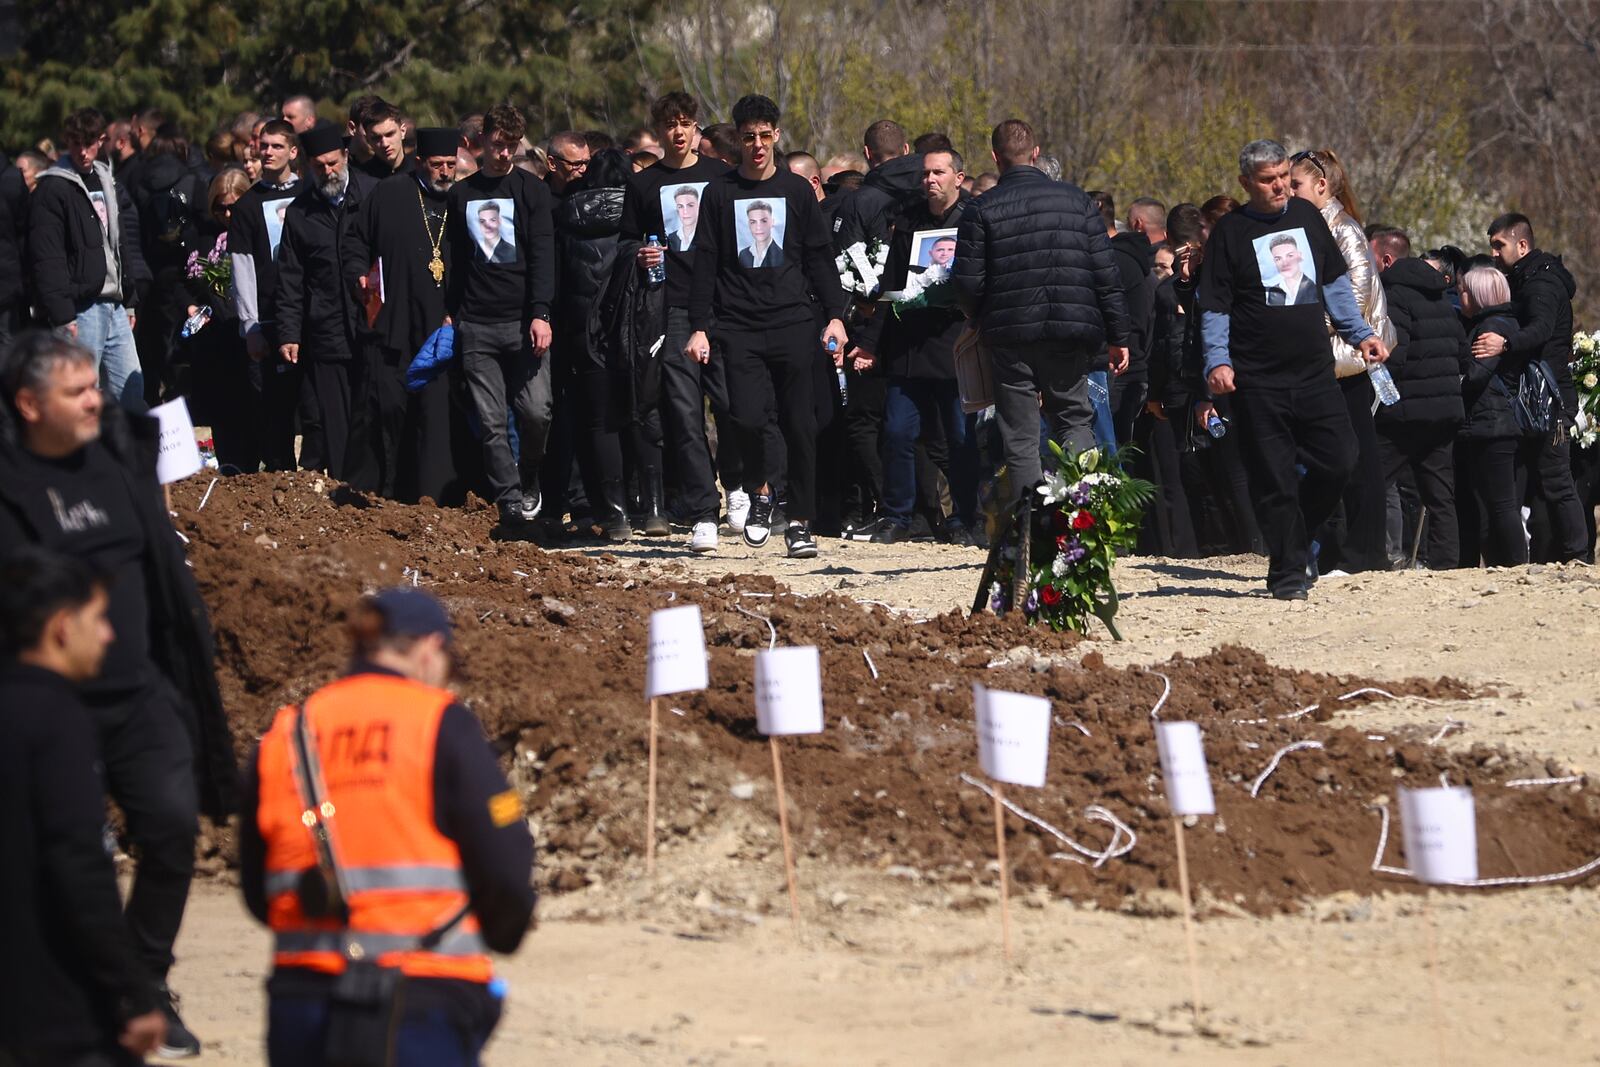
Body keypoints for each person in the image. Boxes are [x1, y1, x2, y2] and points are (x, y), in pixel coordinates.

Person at [0, 332, 240, 1057]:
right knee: (67, 852)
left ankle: (146, 979)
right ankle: (75, 991)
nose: (94, 400)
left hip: (137, 687)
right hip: (48, 704)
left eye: (92, 387)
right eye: (76, 392)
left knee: (171, 828)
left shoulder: (114, 456)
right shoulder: (10, 483)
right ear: (28, 404)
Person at [239, 588, 537, 1067]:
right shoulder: (439, 721)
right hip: (419, 994)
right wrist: (504, 932)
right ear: (427, 650)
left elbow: (257, 888)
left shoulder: (287, 733)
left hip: (301, 995)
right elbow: (504, 855)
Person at [1194, 139, 1389, 600]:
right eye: (1268, 179)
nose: (1280, 185)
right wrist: (1217, 362)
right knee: (1275, 477)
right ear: (1246, 183)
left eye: (1284, 175)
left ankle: (1295, 537)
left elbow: (1335, 285)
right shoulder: (1230, 234)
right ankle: (1287, 573)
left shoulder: (1308, 217)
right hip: (1258, 379)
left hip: (1314, 372)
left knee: (1341, 457)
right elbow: (1215, 307)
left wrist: (1360, 334)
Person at [0, 548, 172, 1067]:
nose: (108, 635)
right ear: (60, 627)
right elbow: (78, 863)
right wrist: (133, 992)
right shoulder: (57, 720)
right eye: (98, 619)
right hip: (54, 1011)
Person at [685, 93, 850, 558]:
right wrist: (700, 326)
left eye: (764, 136)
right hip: (737, 325)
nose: (757, 145)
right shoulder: (720, 193)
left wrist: (835, 314)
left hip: (794, 321)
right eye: (748, 137)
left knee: (801, 423)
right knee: (746, 417)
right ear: (737, 139)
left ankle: (799, 521)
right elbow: (705, 263)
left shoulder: (796, 191)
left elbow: (819, 258)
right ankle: (761, 492)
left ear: (776, 136)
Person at [953, 118, 1131, 500]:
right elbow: (1106, 274)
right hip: (1071, 331)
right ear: (1035, 154)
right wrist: (1119, 336)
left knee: (1019, 432)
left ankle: (1028, 528)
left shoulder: (980, 209)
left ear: (995, 157)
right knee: (1074, 420)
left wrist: (977, 316)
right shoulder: (1078, 201)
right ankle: (1081, 520)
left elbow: (967, 283)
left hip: (1009, 334)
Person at [622, 91, 735, 553]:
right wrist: (638, 253)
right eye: (670, 124)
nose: (679, 131)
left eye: (686, 122)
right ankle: (703, 510)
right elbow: (626, 239)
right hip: (669, 306)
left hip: (722, 306)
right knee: (684, 413)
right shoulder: (645, 184)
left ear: (696, 127)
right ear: (660, 130)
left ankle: (744, 489)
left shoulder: (720, 177)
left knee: (735, 407)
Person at [854, 147, 980, 546]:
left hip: (957, 347)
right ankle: (896, 515)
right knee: (897, 432)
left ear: (958, 178)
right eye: (926, 173)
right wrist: (870, 344)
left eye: (939, 173)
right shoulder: (908, 220)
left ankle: (964, 517)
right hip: (908, 349)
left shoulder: (975, 218)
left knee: (960, 440)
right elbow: (891, 284)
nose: (930, 180)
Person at [445, 103, 556, 534]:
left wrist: (541, 312)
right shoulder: (462, 194)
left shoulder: (532, 191)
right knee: (491, 422)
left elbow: (543, 254)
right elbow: (454, 260)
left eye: (511, 146)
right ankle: (509, 501)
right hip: (477, 322)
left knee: (536, 411)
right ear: (480, 142)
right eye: (497, 144)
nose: (504, 153)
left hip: (524, 321)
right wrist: (450, 315)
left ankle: (530, 472)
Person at [551, 148, 668, 541]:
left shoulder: (566, 214)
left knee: (600, 422)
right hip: (636, 330)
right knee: (643, 412)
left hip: (586, 333)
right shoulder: (640, 215)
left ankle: (615, 516)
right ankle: (653, 510)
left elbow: (560, 280)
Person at [346, 127, 469, 503]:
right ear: (420, 163)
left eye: (451, 165)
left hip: (443, 323)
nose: (445, 172)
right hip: (396, 319)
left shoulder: (463, 199)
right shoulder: (391, 193)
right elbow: (355, 241)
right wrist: (359, 276)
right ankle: (388, 492)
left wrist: (457, 313)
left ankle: (436, 495)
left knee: (437, 415)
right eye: (437, 165)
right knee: (391, 409)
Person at [1288, 147, 1395, 576]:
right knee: (1337, 458)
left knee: (1360, 459)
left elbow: (1357, 295)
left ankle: (1366, 555)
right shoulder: (1306, 228)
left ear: (1321, 185)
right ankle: (1337, 552)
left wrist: (1306, 322)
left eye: (1295, 184)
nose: (1288, 191)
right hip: (1326, 358)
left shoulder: (1344, 230)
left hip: (1348, 357)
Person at [1470, 212, 1588, 563]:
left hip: (1549, 400)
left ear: (1522, 245)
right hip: (1538, 398)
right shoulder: (1528, 278)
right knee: (1539, 484)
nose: (1494, 253)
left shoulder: (1540, 284)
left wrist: (1503, 345)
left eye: (1499, 245)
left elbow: (1540, 330)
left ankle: (1578, 557)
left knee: (1557, 481)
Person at [28, 107, 151, 412]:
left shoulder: (106, 179)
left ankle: (127, 457)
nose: (82, 152)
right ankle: (81, 459)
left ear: (102, 141)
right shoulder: (53, 187)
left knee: (131, 391)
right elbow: (47, 256)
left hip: (115, 303)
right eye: (74, 144)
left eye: (89, 143)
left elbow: (120, 243)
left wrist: (129, 297)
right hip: (80, 307)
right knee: (81, 395)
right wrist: (62, 314)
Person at [275, 121, 380, 480]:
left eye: (333, 163)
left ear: (346, 156)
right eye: (319, 166)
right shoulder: (301, 212)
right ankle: (343, 485)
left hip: (371, 323)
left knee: (374, 410)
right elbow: (290, 279)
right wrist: (290, 332)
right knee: (335, 418)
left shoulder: (373, 195)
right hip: (327, 328)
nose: (328, 171)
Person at [1374, 228, 1465, 569]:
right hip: (1444, 410)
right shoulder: (1440, 297)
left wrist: (1382, 393)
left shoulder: (1396, 294)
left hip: (1406, 411)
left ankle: (1368, 553)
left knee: (1372, 478)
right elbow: (1461, 351)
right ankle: (1445, 564)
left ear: (1387, 261)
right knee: (1441, 494)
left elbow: (1396, 352)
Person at [229, 119, 303, 471]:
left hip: (308, 315)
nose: (268, 152)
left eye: (277, 146)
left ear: (292, 151)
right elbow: (241, 267)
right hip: (268, 316)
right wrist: (250, 326)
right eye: (265, 146)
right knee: (272, 411)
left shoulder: (308, 195)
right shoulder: (246, 206)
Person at [129, 124, 210, 407]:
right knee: (189, 335)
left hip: (153, 270)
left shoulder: (137, 181)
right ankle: (188, 396)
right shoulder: (191, 181)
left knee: (154, 340)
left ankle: (154, 394)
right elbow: (204, 220)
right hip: (187, 268)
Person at [1456, 264, 1529, 565]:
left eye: (1464, 291)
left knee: (1501, 504)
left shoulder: (1491, 329)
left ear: (1478, 295)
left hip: (1492, 423)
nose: (1460, 296)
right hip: (1492, 422)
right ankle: (1500, 564)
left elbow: (1475, 376)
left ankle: (1516, 566)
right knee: (1491, 503)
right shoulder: (1506, 323)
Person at [354, 97, 410, 180]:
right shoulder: (361, 180)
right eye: (376, 138)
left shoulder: (420, 171)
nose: (385, 144)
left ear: (402, 131)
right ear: (367, 140)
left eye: (390, 134)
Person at [545, 130, 591, 196]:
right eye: (577, 164)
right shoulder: (535, 199)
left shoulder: (597, 197)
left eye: (587, 162)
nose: (584, 169)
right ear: (552, 163)